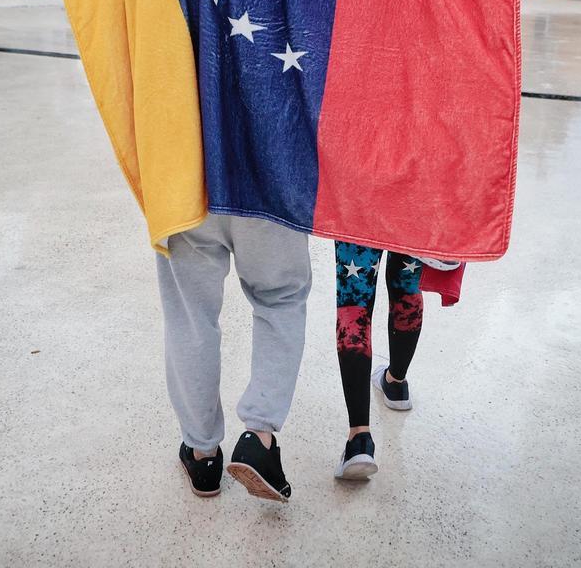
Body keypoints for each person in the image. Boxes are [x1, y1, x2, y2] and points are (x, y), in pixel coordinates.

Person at [161, 215, 311, 502]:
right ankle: (259, 437)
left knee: (191, 312)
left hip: (188, 183)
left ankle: (202, 453)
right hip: (271, 183)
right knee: (281, 298)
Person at [332, 241, 427, 480]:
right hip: (413, 206)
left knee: (354, 301)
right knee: (407, 284)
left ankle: (359, 439)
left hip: (360, 206)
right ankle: (396, 383)